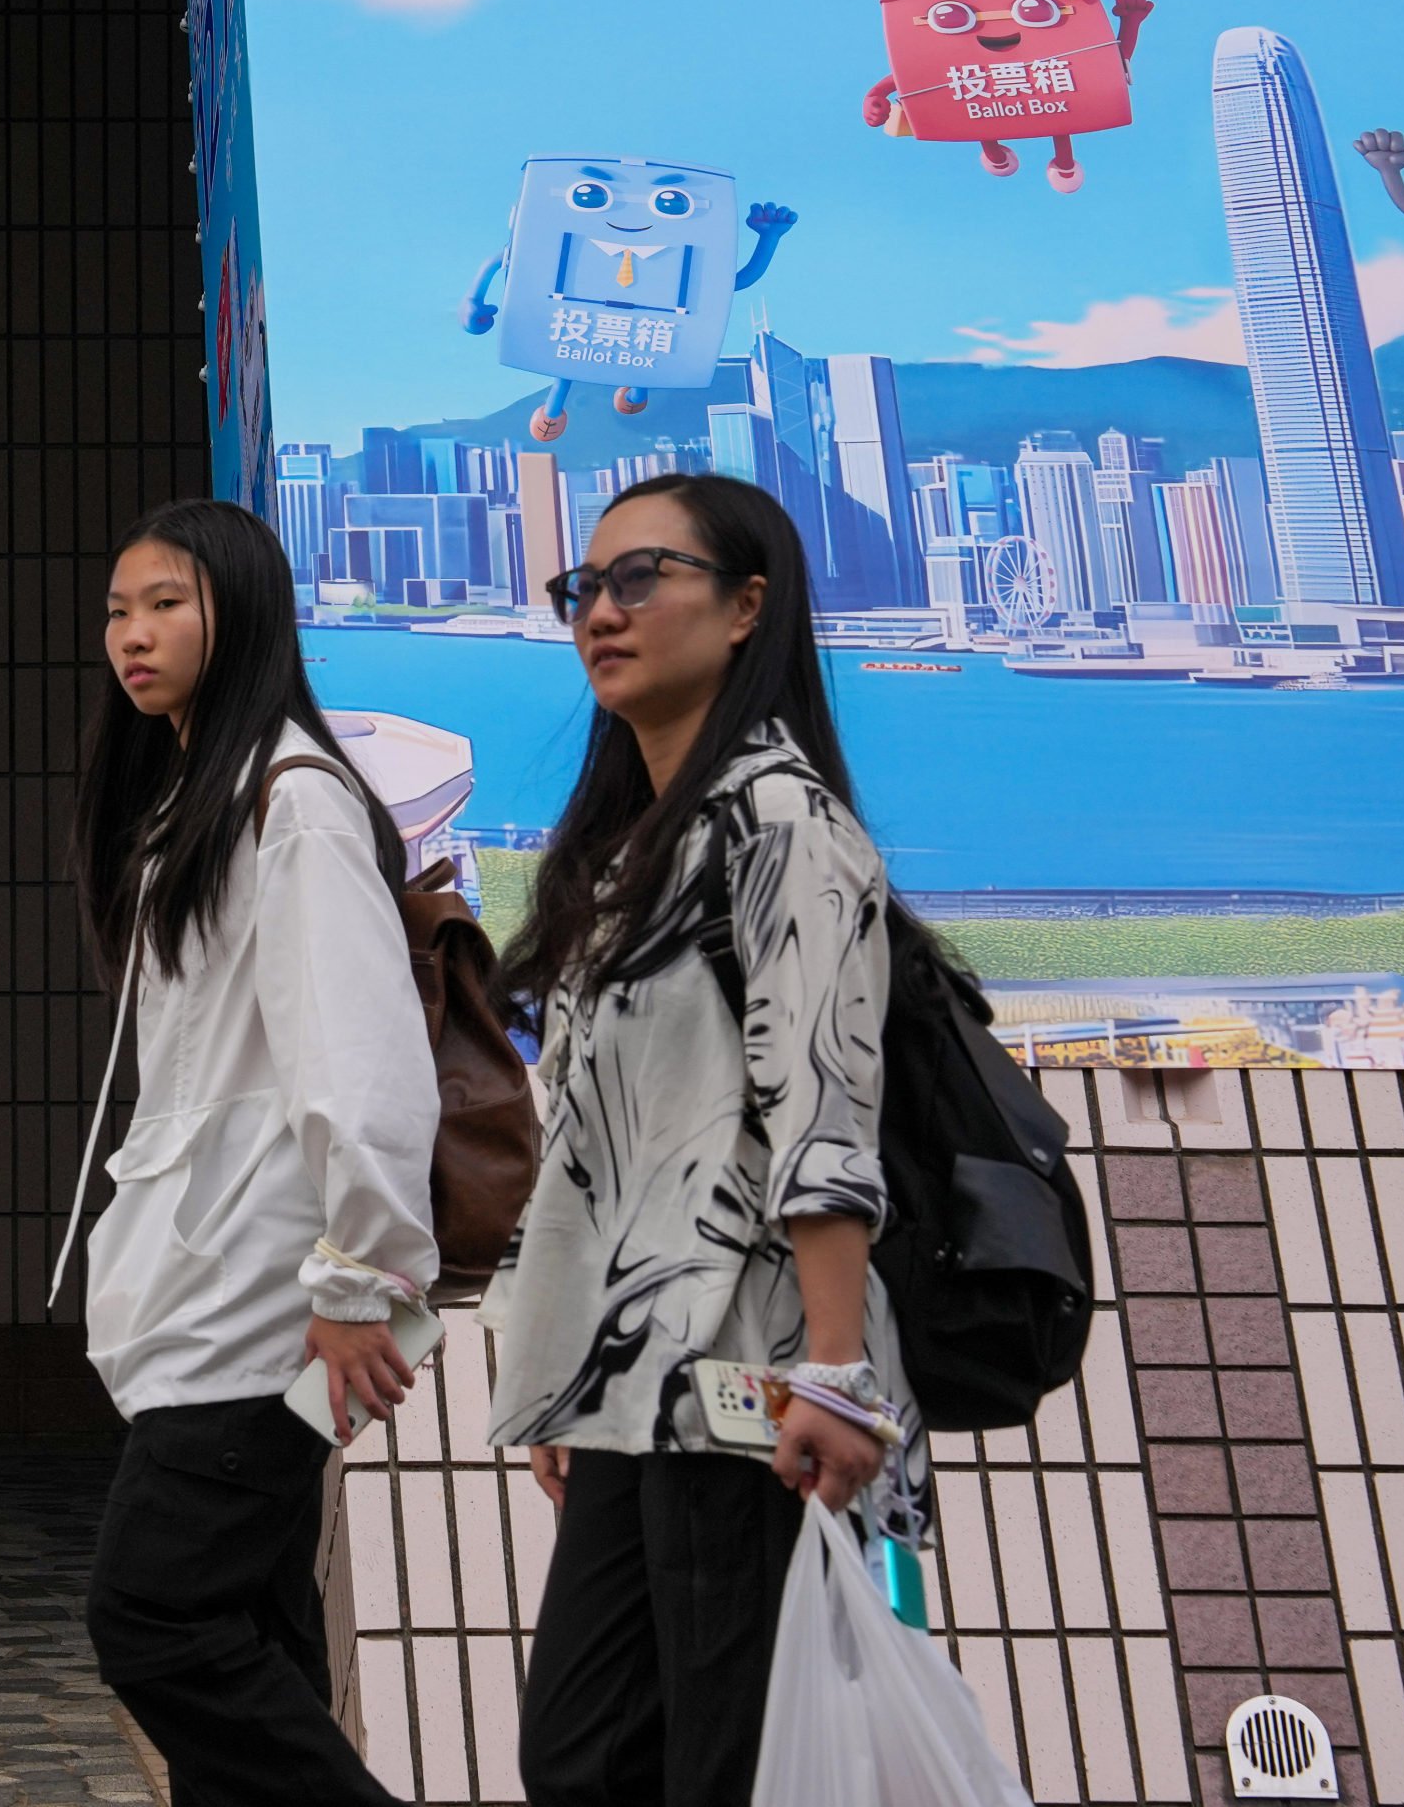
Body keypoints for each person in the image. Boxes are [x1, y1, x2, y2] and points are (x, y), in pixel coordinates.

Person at [482, 471, 921, 1807]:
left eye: (638, 579)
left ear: (746, 610)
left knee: (719, 1766)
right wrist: (573, 1370)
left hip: (752, 1379)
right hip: (638, 1392)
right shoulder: (631, 852)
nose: (598, 613)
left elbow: (822, 1109)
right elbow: (602, 1148)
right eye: (582, 588)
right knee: (588, 1760)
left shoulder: (785, 826)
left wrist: (837, 1371)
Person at [56, 498, 441, 1807]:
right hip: (212, 1296)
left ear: (247, 613)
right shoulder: (195, 802)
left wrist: (354, 1286)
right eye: (118, 609)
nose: (134, 633)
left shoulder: (295, 804)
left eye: (169, 602)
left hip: (260, 1311)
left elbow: (363, 1068)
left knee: (155, 1620)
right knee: (257, 1638)